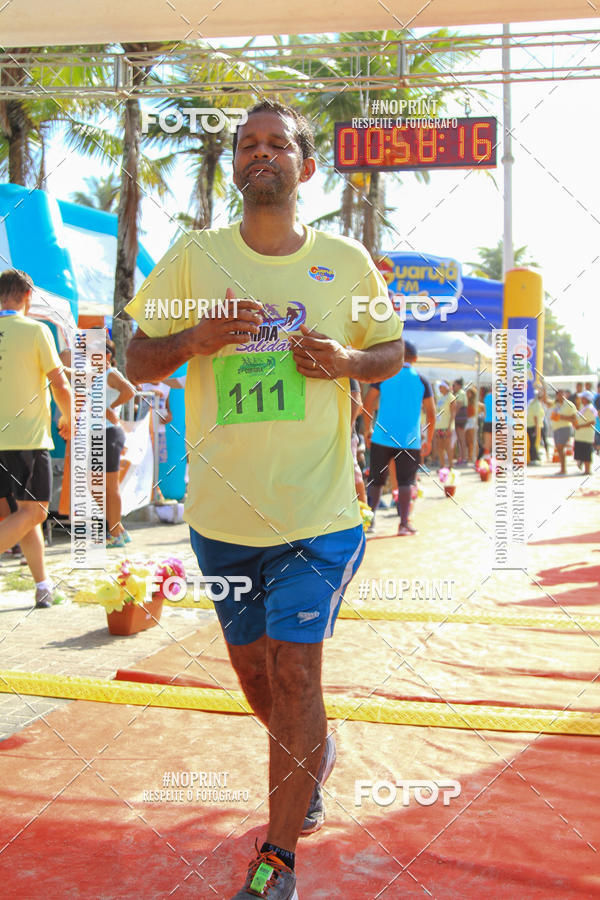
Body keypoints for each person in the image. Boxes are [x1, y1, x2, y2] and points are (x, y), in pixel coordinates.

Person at [124, 100, 403, 900]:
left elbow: (387, 352)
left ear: (304, 167)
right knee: (257, 680)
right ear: (236, 166)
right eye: (247, 144)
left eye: (279, 143)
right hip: (223, 521)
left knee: (297, 676)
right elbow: (138, 357)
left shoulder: (345, 261)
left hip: (319, 517)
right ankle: (313, 754)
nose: (262, 152)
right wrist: (193, 342)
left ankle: (276, 859)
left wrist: (348, 357)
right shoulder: (195, 257)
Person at [0, 269, 71, 607]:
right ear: (27, 296)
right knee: (37, 512)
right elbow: (60, 383)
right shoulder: (36, 330)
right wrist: (70, 417)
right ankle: (43, 585)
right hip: (26, 437)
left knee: (21, 515)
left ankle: (43, 586)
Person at [363, 340, 434, 535]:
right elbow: (431, 412)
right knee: (406, 482)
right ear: (415, 359)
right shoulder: (422, 380)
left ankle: (369, 522)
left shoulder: (383, 375)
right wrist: (429, 438)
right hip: (410, 441)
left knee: (376, 481)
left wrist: (367, 430)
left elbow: (367, 403)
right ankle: (403, 524)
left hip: (381, 437)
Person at [101, 338, 136, 547]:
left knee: (109, 487)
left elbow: (130, 390)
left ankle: (115, 533)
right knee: (95, 485)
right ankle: (118, 529)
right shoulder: (94, 375)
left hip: (109, 433)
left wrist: (111, 408)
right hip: (98, 433)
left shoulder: (110, 373)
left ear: (106, 356)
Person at [550, 389, 576, 476]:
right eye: (559, 395)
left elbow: (574, 418)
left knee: (561, 447)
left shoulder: (569, 404)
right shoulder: (555, 404)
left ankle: (564, 469)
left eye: (562, 394)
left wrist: (561, 417)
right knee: (559, 449)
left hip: (564, 428)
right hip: (556, 428)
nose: (561, 396)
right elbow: (546, 402)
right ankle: (562, 468)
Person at [573, 390, 597, 475]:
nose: (581, 399)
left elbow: (592, 422)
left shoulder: (590, 409)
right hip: (581, 435)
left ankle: (587, 470)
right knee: (582, 452)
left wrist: (580, 426)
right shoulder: (585, 408)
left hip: (586, 435)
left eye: (582, 398)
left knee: (586, 453)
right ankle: (585, 469)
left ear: (586, 399)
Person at [433, 381, 455, 469]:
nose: (439, 388)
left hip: (446, 425)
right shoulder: (441, 398)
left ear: (446, 387)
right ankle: (442, 465)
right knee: (439, 446)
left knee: (447, 445)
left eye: (441, 386)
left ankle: (451, 465)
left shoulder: (451, 397)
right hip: (439, 425)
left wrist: (450, 426)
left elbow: (453, 413)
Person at [526, 390, 545, 464]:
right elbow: (535, 417)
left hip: (530, 425)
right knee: (533, 443)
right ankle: (533, 459)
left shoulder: (532, 403)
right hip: (533, 426)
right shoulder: (536, 404)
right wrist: (536, 429)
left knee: (532, 443)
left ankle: (533, 458)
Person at [452, 378, 468, 464]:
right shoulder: (459, 393)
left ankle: (463, 458)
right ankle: (462, 457)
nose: (453, 387)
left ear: (458, 385)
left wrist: (453, 417)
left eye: (454, 385)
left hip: (460, 418)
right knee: (460, 438)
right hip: (460, 417)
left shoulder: (460, 393)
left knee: (461, 438)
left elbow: (458, 406)